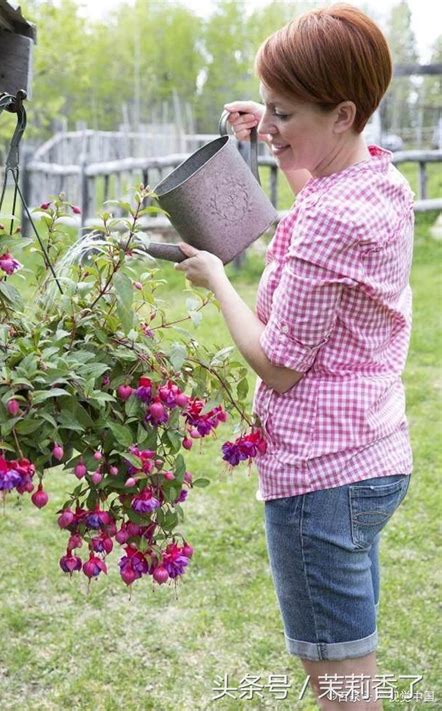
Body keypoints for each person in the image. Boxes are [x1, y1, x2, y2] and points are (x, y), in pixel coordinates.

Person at [174, 4, 413, 709]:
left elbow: (278, 365)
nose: (270, 126)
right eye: (267, 108)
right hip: (371, 459)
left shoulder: (328, 221)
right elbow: (321, 196)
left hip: (319, 479)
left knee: (342, 691)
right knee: (351, 665)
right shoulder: (378, 181)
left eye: (286, 113)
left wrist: (218, 275)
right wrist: (277, 134)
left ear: (343, 113)